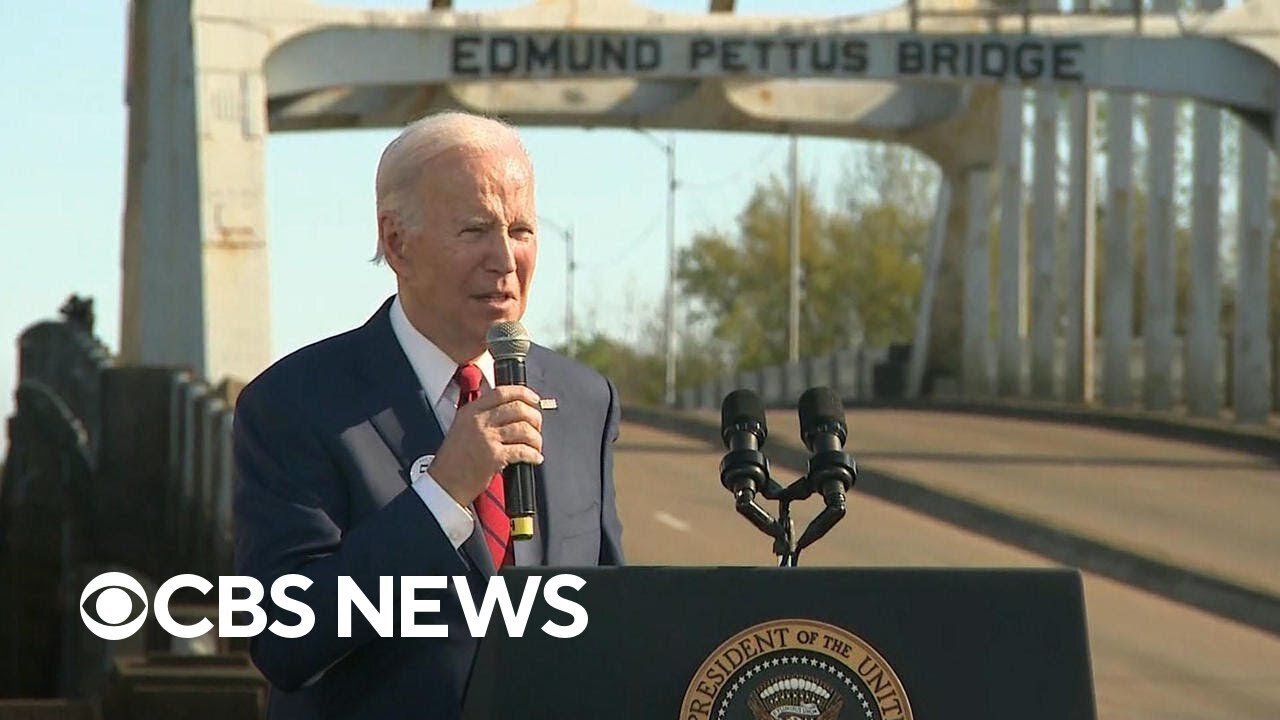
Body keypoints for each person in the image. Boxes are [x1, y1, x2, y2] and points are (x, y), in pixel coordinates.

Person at [232, 111, 624, 720]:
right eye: (474, 230)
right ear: (396, 242)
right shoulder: (293, 406)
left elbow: (612, 617)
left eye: (521, 229)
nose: (504, 259)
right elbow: (286, 640)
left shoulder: (584, 399)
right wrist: (442, 497)